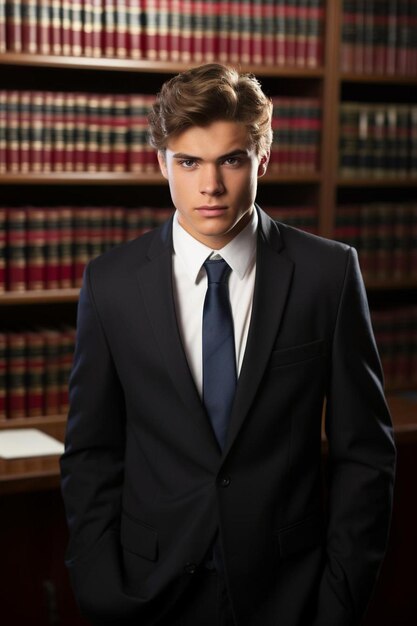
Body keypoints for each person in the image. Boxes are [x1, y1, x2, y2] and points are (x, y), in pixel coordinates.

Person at [60, 63, 396, 626]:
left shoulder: (328, 274)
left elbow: (364, 453)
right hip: (148, 593)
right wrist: (99, 587)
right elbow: (92, 451)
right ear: (162, 162)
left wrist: (338, 601)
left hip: (290, 595)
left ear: (262, 159)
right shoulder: (110, 283)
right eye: (189, 162)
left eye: (231, 160)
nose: (209, 186)